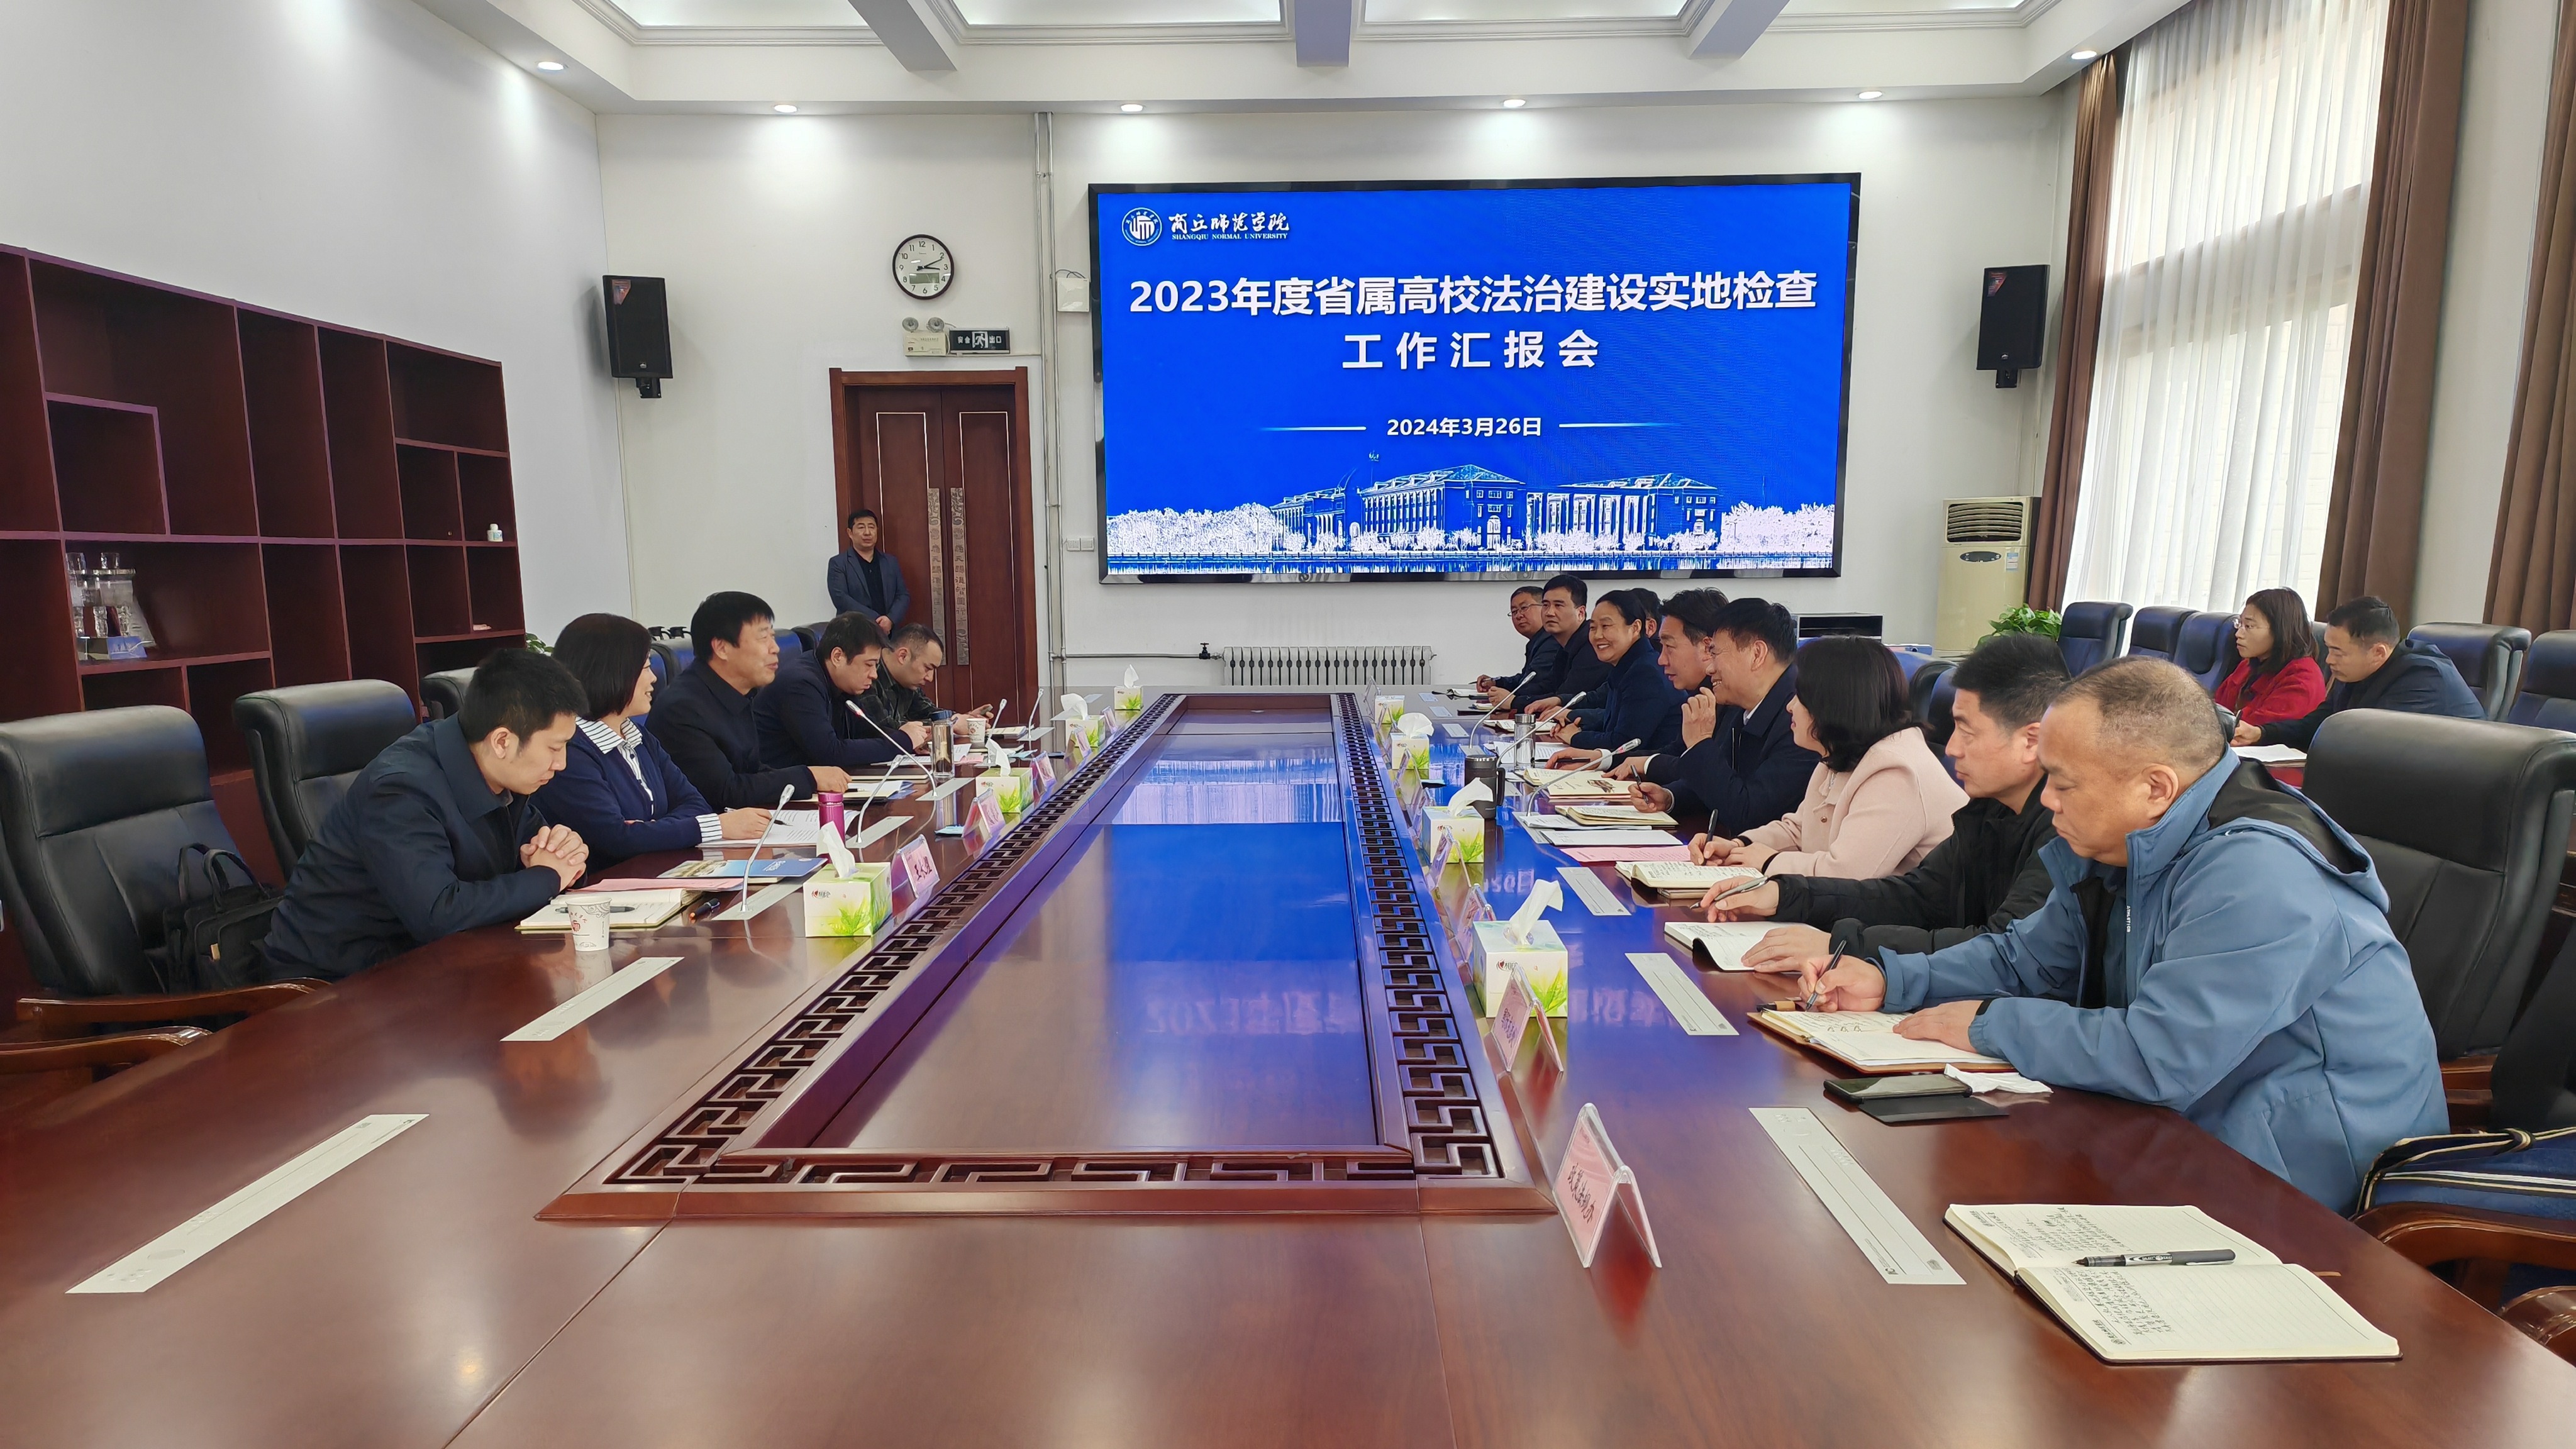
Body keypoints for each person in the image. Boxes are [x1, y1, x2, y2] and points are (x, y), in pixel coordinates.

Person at [1793, 658, 2445, 1212]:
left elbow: (2161, 1056)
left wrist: (1989, 1024)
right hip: (2183, 1131)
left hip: (2308, 1182)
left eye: (2064, 783)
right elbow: (2025, 959)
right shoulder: (2121, 841)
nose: (2048, 801)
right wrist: (1891, 979)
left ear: (2155, 788)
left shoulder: (2257, 871)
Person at [1709, 633, 2068, 967]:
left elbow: (2002, 951)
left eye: (1967, 731)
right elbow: (1916, 896)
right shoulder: (1988, 808)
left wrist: (1839, 944)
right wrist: (1785, 894)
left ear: (2031, 742)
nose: (1951, 749)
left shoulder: (2064, 831)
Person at [260, 650, 591, 981]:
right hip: (337, 982)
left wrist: (564, 853)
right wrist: (548, 877)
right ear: (502, 741)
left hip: (433, 962)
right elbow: (438, 913)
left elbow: (536, 851)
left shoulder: (499, 770)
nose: (561, 763)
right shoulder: (400, 790)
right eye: (554, 748)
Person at [1691, 635, 1966, 879]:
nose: (1790, 707)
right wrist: (1739, 847)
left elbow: (1846, 875)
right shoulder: (1840, 752)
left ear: (1832, 704)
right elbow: (1799, 830)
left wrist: (1767, 862)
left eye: (1800, 697)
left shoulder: (1896, 770)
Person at [536, 613, 774, 866]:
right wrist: (715, 827)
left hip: (657, 871)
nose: (654, 678)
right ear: (613, 673)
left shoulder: (638, 735)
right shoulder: (571, 749)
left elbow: (696, 804)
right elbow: (615, 838)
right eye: (646, 668)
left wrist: (651, 830)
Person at [1623, 597, 1818, 835]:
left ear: (1756, 654)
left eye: (1715, 653)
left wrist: (1700, 744)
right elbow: (1724, 781)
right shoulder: (1742, 706)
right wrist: (1671, 797)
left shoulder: (1801, 718)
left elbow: (1750, 815)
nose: (1710, 668)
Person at [651, 591, 850, 809]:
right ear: (722, 648)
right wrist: (808, 777)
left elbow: (752, 770)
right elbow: (726, 792)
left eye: (773, 636)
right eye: (763, 638)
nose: (775, 648)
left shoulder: (739, 693)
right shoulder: (682, 709)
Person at [2235, 594, 2482, 750]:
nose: (2329, 660)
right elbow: (2319, 723)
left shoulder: (2424, 678)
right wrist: (2262, 734)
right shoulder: (2355, 672)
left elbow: (2368, 744)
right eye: (2329, 648)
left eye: (2338, 652)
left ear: (2378, 652)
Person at [756, 611, 905, 772]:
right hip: (782, 783)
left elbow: (863, 730)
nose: (874, 675)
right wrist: (902, 742)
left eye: (876, 665)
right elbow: (830, 753)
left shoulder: (842, 682)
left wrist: (905, 737)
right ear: (838, 657)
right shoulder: (801, 684)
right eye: (868, 665)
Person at [1547, 590, 1684, 765]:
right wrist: (1578, 726)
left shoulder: (1645, 672)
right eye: (1593, 628)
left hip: (1651, 776)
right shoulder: (1629, 664)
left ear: (1635, 628)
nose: (1597, 636)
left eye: (1606, 626)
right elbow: (1615, 722)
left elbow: (1624, 743)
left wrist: (1576, 737)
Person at [2214, 588, 2326, 727]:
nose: (2238, 634)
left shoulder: (2302, 679)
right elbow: (2216, 708)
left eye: (2249, 626)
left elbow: (2255, 730)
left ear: (2280, 629)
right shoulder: (2249, 664)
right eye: (2239, 624)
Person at [1514, 575, 1610, 718]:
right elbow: (1551, 687)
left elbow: (1569, 695)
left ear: (1580, 613)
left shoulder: (1591, 645)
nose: (1549, 613)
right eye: (1546, 605)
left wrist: (1514, 702)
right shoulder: (1564, 646)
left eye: (1558, 605)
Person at [858, 622, 948, 749]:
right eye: (928, 668)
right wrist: (945, 725)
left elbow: (928, 712)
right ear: (903, 656)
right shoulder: (868, 677)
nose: (930, 678)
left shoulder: (908, 681)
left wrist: (959, 719)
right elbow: (884, 728)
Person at [826, 508, 910, 632]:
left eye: (871, 527)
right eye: (861, 527)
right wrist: (876, 621)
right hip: (854, 632)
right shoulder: (838, 564)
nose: (867, 532)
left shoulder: (890, 562)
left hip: (889, 633)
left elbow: (903, 595)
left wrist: (890, 620)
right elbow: (841, 599)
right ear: (850, 533)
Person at [1479, 586, 1557, 709]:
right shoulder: (1537, 641)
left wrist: (1511, 700)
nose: (1519, 616)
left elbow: (1533, 687)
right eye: (1514, 611)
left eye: (1524, 608)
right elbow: (1525, 679)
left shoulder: (1552, 642)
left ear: (1544, 608)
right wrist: (1497, 682)